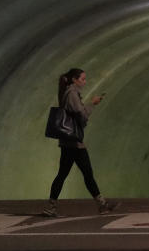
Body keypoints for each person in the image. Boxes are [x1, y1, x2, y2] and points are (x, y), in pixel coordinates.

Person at [42, 68, 118, 217]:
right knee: (86, 173)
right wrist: (93, 104)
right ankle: (102, 205)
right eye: (82, 79)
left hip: (68, 142)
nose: (85, 81)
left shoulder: (70, 92)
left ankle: (51, 206)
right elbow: (81, 115)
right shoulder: (71, 93)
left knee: (65, 174)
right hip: (74, 142)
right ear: (74, 80)